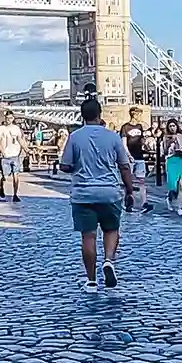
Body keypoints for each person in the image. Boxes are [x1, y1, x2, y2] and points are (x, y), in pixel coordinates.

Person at [60, 96, 136, 293]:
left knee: (88, 236)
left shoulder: (75, 137)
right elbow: (124, 166)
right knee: (111, 230)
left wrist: (78, 165)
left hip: (83, 193)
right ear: (100, 114)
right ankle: (109, 260)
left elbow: (65, 165)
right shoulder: (112, 137)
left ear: (82, 116)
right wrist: (129, 190)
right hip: (109, 192)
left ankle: (91, 281)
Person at [121, 109, 151, 213]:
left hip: (140, 156)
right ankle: (128, 202)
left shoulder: (140, 127)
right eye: (139, 115)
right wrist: (128, 155)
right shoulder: (125, 127)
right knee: (128, 181)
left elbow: (141, 140)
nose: (140, 117)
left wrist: (145, 143)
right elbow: (124, 143)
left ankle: (144, 203)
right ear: (134, 115)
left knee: (141, 181)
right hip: (130, 157)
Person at [163, 119, 182, 215]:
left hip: (181, 160)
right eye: (170, 126)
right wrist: (170, 145)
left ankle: (179, 207)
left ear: (177, 126)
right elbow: (164, 151)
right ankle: (169, 198)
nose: (172, 128)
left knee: (181, 183)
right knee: (173, 184)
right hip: (171, 161)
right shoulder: (166, 138)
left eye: (174, 126)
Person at [0, 111, 26, 203]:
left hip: (15, 155)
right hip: (6, 155)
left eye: (11, 118)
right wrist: (2, 151)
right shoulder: (2, 128)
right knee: (5, 176)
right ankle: (1, 186)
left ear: (13, 118)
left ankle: (15, 194)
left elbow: (20, 140)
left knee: (16, 175)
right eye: (7, 118)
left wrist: (27, 149)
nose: (9, 120)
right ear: (5, 118)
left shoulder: (16, 128)